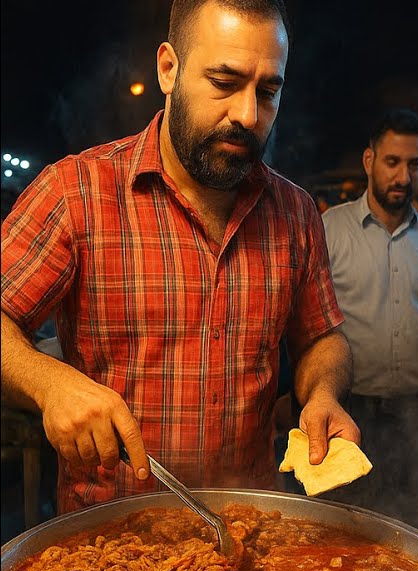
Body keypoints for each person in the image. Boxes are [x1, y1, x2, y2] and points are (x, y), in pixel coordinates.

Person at [1, 0, 357, 514]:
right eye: (224, 82)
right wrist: (48, 382)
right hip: (111, 535)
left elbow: (322, 337)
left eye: (267, 92)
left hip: (248, 526)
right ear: (169, 69)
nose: (248, 115)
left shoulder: (296, 212)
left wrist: (322, 393)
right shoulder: (75, 192)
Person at [320, 109, 418, 527]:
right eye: (392, 162)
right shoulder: (330, 228)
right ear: (369, 161)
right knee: (350, 523)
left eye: (414, 164)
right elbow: (310, 325)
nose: (403, 176)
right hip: (350, 408)